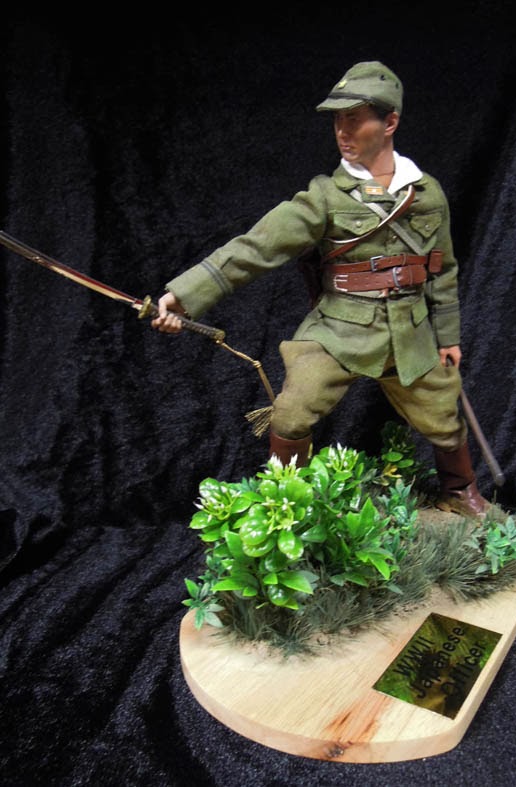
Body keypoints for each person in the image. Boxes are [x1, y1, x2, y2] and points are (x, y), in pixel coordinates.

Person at [152, 61, 489, 518]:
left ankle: (460, 491)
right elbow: (256, 247)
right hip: (339, 328)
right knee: (292, 413)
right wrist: (185, 295)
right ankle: (285, 503)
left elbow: (442, 270)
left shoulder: (427, 195)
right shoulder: (325, 197)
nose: (342, 131)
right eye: (337, 120)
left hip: (409, 332)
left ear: (390, 122)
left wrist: (448, 337)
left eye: (355, 119)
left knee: (445, 417)